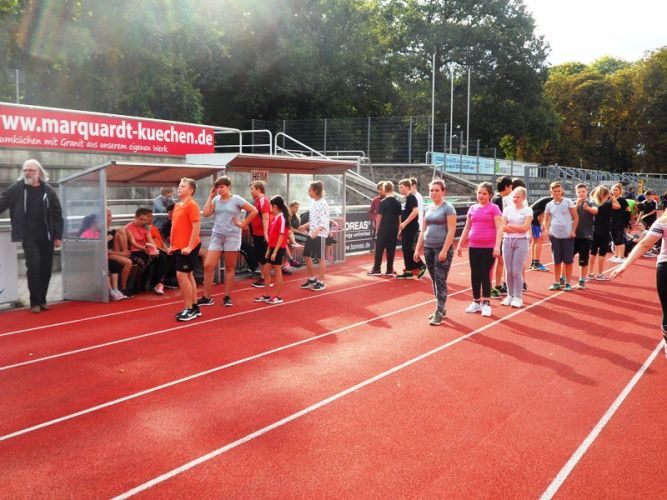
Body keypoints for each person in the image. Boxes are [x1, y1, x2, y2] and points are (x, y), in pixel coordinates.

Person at [0, 159, 63, 313]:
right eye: (25, 170)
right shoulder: (17, 188)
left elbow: (57, 214)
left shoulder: (48, 190)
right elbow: (2, 202)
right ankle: (35, 302)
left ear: (39, 172)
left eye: (31, 170)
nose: (27, 173)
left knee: (46, 269)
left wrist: (58, 235)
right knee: (33, 267)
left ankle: (42, 300)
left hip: (47, 237)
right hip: (29, 237)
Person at [611, 213, 667, 357]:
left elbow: (644, 244)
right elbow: (644, 244)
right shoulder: (662, 222)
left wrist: (624, 265)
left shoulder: (662, 221)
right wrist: (624, 265)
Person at [199, 176, 258, 308]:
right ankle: (207, 297)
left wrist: (243, 224)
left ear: (228, 187)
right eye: (218, 187)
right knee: (208, 266)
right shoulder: (216, 199)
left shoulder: (236, 199)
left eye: (222, 187)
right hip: (217, 235)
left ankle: (227, 296)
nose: (220, 189)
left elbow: (254, 211)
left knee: (229, 267)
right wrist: (210, 196)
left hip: (232, 236)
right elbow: (206, 213)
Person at [414, 179, 457, 325]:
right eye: (431, 190)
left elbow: (451, 230)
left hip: (441, 249)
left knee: (440, 280)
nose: (433, 193)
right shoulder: (427, 208)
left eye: (437, 190)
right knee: (434, 280)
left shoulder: (448, 208)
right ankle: (440, 307)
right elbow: (423, 230)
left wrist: (444, 250)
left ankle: (439, 312)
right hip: (428, 248)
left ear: (443, 192)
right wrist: (418, 248)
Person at [457, 182, 503, 317]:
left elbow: (499, 227)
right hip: (473, 246)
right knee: (475, 274)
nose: (481, 196)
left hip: (488, 246)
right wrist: (460, 244)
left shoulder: (494, 208)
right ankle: (476, 301)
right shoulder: (472, 208)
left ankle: (486, 303)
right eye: (479, 193)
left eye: (484, 193)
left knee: (484, 274)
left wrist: (497, 246)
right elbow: (467, 227)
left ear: (490, 195)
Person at [170, 178, 202, 321]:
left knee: (182, 275)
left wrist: (190, 246)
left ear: (191, 190)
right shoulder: (177, 205)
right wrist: (172, 245)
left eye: (183, 186)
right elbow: (175, 226)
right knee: (188, 276)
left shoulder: (191, 205)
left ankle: (189, 308)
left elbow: (196, 227)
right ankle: (194, 307)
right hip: (179, 246)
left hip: (188, 247)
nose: (179, 188)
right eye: (179, 186)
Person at [255, 196, 291, 305]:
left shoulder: (282, 218)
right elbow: (272, 236)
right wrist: (268, 250)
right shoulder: (276, 218)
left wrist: (275, 251)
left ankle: (278, 296)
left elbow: (281, 236)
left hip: (279, 248)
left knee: (277, 271)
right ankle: (267, 295)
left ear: (275, 206)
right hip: (272, 248)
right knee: (266, 271)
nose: (270, 208)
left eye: (271, 206)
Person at [501, 186, 533, 308]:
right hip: (507, 241)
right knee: (508, 270)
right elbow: (502, 227)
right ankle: (510, 295)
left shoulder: (528, 210)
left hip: (522, 241)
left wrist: (510, 226)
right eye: (514, 196)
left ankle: (518, 297)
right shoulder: (507, 210)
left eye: (518, 197)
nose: (515, 199)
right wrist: (517, 228)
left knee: (516, 270)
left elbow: (525, 228)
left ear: (523, 198)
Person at [544, 181, 579, 291]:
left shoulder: (568, 202)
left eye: (558, 191)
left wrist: (573, 231)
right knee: (556, 261)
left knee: (568, 261)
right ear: (551, 192)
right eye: (554, 191)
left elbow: (576, 217)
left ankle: (568, 283)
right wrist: (547, 231)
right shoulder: (549, 205)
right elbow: (546, 219)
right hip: (555, 236)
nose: (557, 193)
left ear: (562, 191)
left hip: (567, 236)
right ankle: (557, 282)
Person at [124, 208, 166, 294]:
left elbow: (150, 240)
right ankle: (136, 286)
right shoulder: (128, 227)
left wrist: (154, 249)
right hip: (134, 251)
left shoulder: (146, 227)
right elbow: (132, 242)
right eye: (141, 219)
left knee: (162, 258)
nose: (143, 222)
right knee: (143, 262)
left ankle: (157, 283)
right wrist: (144, 249)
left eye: (145, 220)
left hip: (145, 249)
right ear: (135, 217)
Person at [298, 180, 330, 290]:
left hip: (320, 234)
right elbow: (313, 220)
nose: (308, 192)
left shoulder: (323, 203)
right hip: (311, 233)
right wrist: (304, 226)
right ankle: (312, 279)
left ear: (315, 191)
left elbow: (324, 221)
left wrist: (316, 232)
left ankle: (321, 282)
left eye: (309, 190)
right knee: (306, 255)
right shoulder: (313, 203)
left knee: (320, 258)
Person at [367, 181, 401, 276]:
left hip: (383, 229)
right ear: (393, 189)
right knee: (391, 250)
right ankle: (389, 270)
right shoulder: (398, 203)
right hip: (394, 230)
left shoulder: (382, 202)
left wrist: (377, 230)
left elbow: (379, 217)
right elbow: (399, 218)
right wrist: (399, 230)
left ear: (385, 190)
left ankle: (376, 269)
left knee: (379, 250)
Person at [397, 179, 426, 279]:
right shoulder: (404, 199)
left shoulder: (411, 197)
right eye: (399, 187)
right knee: (405, 248)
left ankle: (421, 265)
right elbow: (403, 213)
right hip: (405, 227)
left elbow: (415, 212)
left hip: (411, 227)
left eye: (401, 187)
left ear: (407, 187)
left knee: (408, 247)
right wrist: (401, 229)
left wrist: (405, 223)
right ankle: (409, 270)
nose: (399, 189)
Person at [588, 185, 617, 281]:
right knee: (602, 253)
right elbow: (618, 206)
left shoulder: (593, 203)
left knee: (593, 252)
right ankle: (600, 274)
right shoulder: (608, 204)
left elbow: (591, 195)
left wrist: (596, 190)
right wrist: (612, 197)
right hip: (604, 231)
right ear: (606, 194)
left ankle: (590, 273)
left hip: (594, 230)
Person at [491, 176, 513, 298]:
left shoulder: (499, 198)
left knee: (500, 260)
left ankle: (498, 285)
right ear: (507, 187)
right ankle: (492, 287)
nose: (511, 189)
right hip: (495, 235)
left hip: (498, 233)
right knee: (495, 261)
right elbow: (498, 220)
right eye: (511, 187)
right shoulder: (498, 199)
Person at [573, 183, 598, 289]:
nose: (581, 194)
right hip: (573, 236)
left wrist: (588, 209)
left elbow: (595, 211)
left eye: (583, 191)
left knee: (583, 260)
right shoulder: (573, 203)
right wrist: (577, 205)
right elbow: (570, 214)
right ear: (576, 193)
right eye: (579, 192)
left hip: (585, 236)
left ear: (587, 192)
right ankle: (564, 279)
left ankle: (582, 280)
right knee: (568, 259)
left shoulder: (591, 202)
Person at [249, 180, 272, 288]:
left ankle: (266, 278)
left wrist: (265, 234)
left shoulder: (263, 200)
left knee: (263, 257)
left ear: (258, 189)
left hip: (262, 234)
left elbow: (266, 217)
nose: (250, 191)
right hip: (257, 233)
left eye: (252, 189)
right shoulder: (258, 200)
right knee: (260, 256)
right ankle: (263, 277)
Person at [106, 208, 132, 299]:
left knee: (121, 230)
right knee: (128, 262)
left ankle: (120, 288)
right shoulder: (99, 230)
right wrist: (122, 254)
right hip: (105, 255)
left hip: (112, 252)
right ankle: (123, 288)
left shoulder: (111, 231)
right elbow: (104, 251)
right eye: (107, 216)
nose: (109, 218)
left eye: (110, 216)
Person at [529, 194, 552, 272]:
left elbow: (541, 214)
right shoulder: (551, 202)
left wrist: (541, 226)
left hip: (532, 217)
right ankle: (536, 263)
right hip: (533, 218)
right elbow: (544, 216)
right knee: (539, 240)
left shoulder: (547, 200)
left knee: (536, 240)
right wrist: (544, 228)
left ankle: (533, 262)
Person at [609, 183, 630, 263]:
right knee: (614, 239)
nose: (614, 191)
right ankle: (616, 255)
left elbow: (628, 210)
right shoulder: (611, 199)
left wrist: (625, 222)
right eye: (613, 190)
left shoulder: (622, 200)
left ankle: (622, 257)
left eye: (616, 190)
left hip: (619, 223)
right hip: (612, 222)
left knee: (620, 239)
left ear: (620, 191)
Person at [368, 182, 385, 252]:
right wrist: (374, 219)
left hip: (388, 223)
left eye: (381, 189)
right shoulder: (375, 200)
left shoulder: (390, 200)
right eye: (379, 189)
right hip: (377, 223)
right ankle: (376, 249)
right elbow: (370, 212)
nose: (379, 191)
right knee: (376, 237)